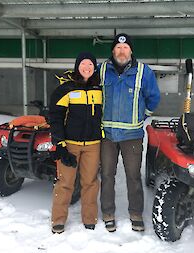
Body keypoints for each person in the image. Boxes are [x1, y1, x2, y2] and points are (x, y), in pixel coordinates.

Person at [99, 33, 160, 232]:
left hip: (132, 136)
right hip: (107, 135)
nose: (121, 51)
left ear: (131, 51)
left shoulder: (144, 72)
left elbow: (153, 97)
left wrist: (143, 115)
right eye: (118, 47)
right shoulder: (101, 71)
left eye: (125, 48)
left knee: (133, 176)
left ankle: (136, 213)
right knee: (107, 175)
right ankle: (108, 212)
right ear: (113, 51)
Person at [49, 52, 103, 234]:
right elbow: (55, 117)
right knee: (65, 183)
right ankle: (58, 220)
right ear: (77, 66)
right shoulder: (66, 89)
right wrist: (60, 144)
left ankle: (89, 218)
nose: (87, 67)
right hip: (70, 144)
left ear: (94, 68)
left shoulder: (100, 89)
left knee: (90, 182)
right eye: (83, 64)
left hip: (93, 145)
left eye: (90, 64)